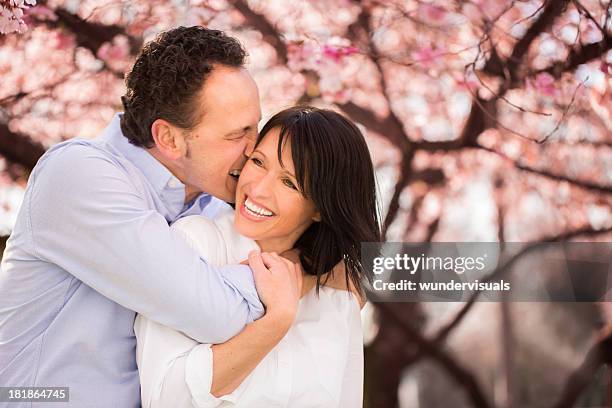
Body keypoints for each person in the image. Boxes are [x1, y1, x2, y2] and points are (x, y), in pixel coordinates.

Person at [0, 27, 349, 407]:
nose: (254, 151)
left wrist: (337, 257)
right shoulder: (79, 176)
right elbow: (215, 313)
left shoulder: (211, 207)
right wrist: (305, 264)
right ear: (169, 139)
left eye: (256, 126)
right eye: (237, 135)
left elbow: (375, 264)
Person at [135, 106, 381, 407]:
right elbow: (164, 398)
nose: (259, 189)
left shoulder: (338, 298)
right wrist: (274, 323)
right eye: (259, 162)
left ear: (320, 208)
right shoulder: (197, 244)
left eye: (289, 182)